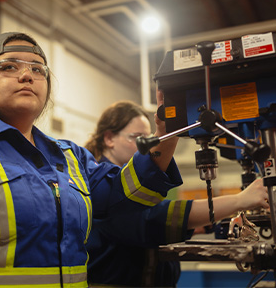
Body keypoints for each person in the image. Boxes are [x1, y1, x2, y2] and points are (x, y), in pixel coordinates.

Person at [0, 32, 184, 288]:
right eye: (8, 66)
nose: (27, 75)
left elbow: (128, 195)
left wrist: (165, 133)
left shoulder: (70, 156)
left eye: (38, 70)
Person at [84, 100, 269, 287]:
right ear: (109, 138)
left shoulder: (138, 187)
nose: (148, 143)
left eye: (148, 136)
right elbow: (151, 219)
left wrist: (210, 224)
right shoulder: (100, 186)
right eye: (138, 137)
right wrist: (239, 200)